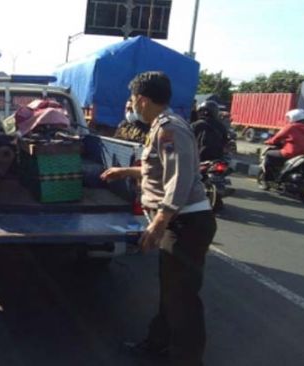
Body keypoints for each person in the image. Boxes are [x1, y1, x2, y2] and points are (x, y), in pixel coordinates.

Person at [100, 71, 217, 366]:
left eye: (131, 99)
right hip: (180, 221)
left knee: (183, 300)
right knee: (172, 292)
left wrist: (158, 222)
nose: (131, 105)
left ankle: (187, 360)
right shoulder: (160, 127)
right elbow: (159, 170)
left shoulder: (169, 129)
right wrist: (125, 172)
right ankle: (158, 344)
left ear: (142, 99)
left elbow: (180, 178)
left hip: (185, 224)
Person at [263, 108, 304, 180]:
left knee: (269, 154)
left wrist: (268, 141)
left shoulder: (291, 127)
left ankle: (269, 178)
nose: (288, 119)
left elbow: (277, 137)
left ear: (294, 117)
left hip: (290, 153)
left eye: (289, 118)